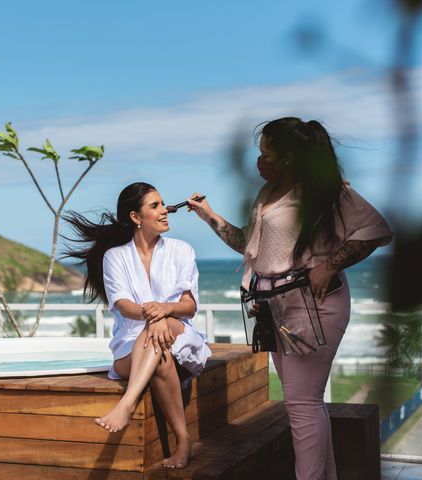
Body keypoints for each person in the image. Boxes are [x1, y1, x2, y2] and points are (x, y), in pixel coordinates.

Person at [187, 117, 392, 480]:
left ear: (291, 157)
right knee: (307, 404)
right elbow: (249, 246)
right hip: (275, 307)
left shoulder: (323, 191)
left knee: (302, 404)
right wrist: (209, 216)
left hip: (314, 305)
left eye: (267, 154)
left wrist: (329, 266)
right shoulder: (268, 195)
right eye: (259, 153)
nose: (259, 161)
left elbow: (375, 230)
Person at [64, 182, 212, 469]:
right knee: (161, 358)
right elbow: (122, 305)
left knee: (162, 331)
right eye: (154, 206)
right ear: (135, 217)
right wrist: (151, 315)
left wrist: (164, 310)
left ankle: (126, 405)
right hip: (130, 345)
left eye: (163, 204)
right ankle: (184, 441)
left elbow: (189, 306)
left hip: (179, 333)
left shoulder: (181, 250)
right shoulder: (115, 256)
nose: (164, 211)